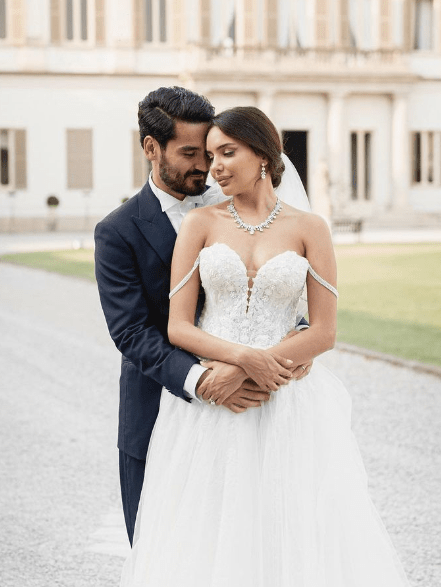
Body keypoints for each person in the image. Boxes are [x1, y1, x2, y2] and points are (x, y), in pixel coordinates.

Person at [110, 106, 441, 587]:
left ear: (263, 156)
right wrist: (243, 361)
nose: (215, 166)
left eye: (226, 153)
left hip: (289, 404)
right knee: (210, 537)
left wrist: (274, 364)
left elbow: (324, 332)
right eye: (209, 155)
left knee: (293, 533)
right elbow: (178, 328)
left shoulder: (309, 228)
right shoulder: (199, 226)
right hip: (215, 403)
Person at [94, 88, 310, 545]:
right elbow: (132, 332)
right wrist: (205, 381)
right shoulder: (117, 232)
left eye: (210, 151)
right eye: (190, 153)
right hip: (158, 411)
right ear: (151, 148)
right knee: (161, 556)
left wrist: (295, 343)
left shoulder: (243, 202)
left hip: (258, 408)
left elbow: (287, 287)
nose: (205, 166)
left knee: (258, 546)